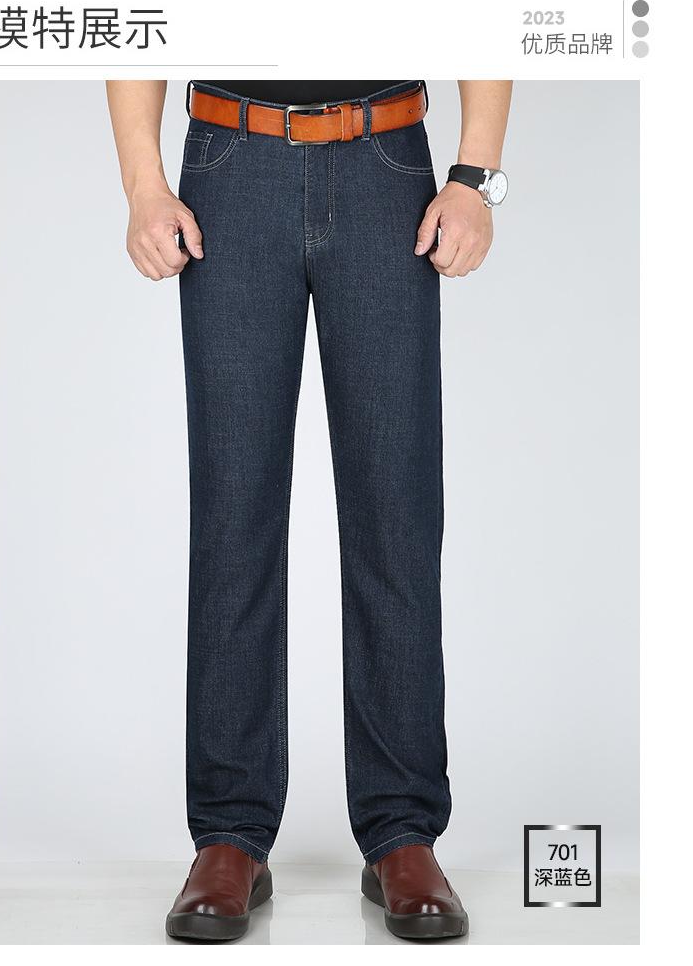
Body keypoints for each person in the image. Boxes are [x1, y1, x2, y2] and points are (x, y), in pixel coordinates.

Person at [107, 78, 512, 942]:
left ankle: (402, 832)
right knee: (234, 516)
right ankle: (229, 835)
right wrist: (144, 184)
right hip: (230, 165)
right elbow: (143, 5)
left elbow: (494, 3)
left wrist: (475, 177)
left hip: (385, 164)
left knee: (397, 511)